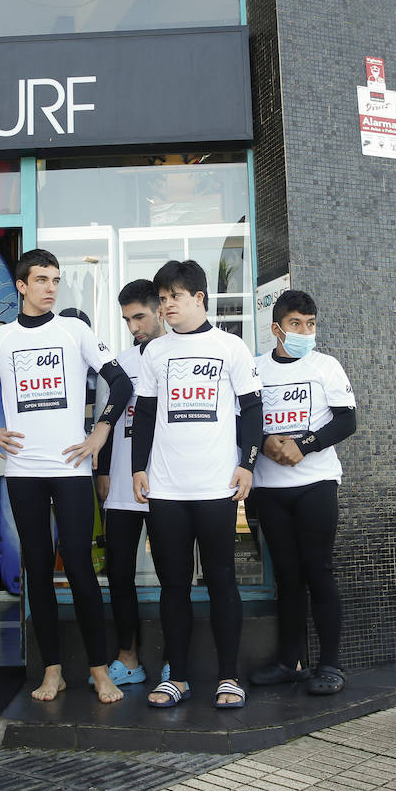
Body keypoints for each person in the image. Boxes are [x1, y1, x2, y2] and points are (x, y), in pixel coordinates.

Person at [0, 249, 134, 704]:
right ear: (21, 286)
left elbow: (120, 383)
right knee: (37, 570)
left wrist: (99, 433)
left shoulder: (74, 331)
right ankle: (52, 671)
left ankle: (99, 671)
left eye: (56, 279)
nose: (51, 287)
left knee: (79, 567)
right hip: (23, 471)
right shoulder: (1, 340)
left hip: (71, 469)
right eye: (41, 279)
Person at [131, 260, 262, 709]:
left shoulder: (231, 348)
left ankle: (229, 677)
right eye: (162, 298)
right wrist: (138, 468)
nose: (166, 305)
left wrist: (247, 464)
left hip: (216, 487)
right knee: (173, 586)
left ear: (200, 298)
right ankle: (177, 676)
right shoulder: (156, 353)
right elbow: (144, 414)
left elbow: (253, 411)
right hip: (166, 489)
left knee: (223, 580)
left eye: (175, 297)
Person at [248, 290, 356, 695]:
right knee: (288, 578)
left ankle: (331, 665)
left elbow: (347, 421)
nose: (305, 332)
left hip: (316, 485)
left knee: (318, 572)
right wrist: (266, 440)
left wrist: (304, 444)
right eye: (296, 324)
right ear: (276, 328)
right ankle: (289, 662)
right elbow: (244, 417)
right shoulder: (256, 369)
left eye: (310, 324)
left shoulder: (325, 366)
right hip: (270, 488)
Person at [94, 279, 169, 685]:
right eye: (127, 319)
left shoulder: (177, 355)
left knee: (171, 577)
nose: (134, 326)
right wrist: (103, 471)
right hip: (122, 485)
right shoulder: (119, 363)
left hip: (166, 486)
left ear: (161, 309)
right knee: (119, 574)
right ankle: (129, 658)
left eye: (140, 316)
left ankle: (175, 663)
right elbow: (105, 420)